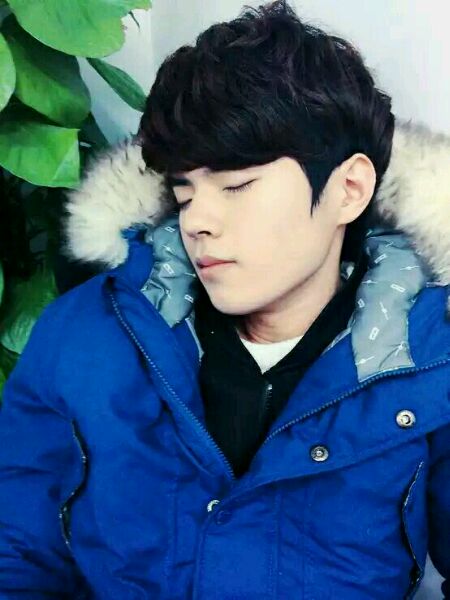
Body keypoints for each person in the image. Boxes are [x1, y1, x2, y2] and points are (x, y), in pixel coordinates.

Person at [0, 1, 449, 598]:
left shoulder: (432, 359)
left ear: (348, 189)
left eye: (237, 186)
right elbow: (16, 554)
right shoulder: (83, 336)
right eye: (185, 194)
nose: (198, 221)